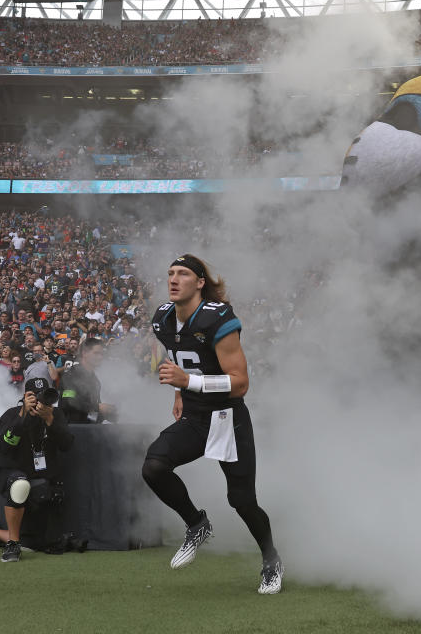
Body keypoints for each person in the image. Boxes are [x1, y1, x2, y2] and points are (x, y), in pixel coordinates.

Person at [142, 254, 282, 594]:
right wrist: (180, 392)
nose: (174, 279)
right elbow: (178, 359)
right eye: (170, 273)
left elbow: (240, 383)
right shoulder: (162, 317)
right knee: (154, 467)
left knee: (242, 501)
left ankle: (271, 559)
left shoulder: (216, 319)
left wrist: (187, 382)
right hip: (194, 415)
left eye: (183, 274)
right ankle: (196, 523)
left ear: (200, 282)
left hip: (227, 418)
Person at [0, 378, 73, 561]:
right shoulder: (12, 414)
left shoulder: (55, 414)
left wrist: (49, 420)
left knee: (33, 544)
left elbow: (67, 445)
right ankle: (12, 545)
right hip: (10, 470)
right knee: (19, 484)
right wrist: (23, 416)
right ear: (25, 396)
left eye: (44, 395)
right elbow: (4, 446)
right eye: (34, 396)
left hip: (40, 477)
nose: (40, 401)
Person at [58, 338, 113, 423]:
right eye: (96, 353)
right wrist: (97, 408)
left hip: (89, 429)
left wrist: (101, 419)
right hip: (73, 429)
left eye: (102, 354)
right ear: (84, 353)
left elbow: (91, 413)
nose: (100, 357)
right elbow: (68, 401)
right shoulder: (71, 375)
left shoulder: (95, 380)